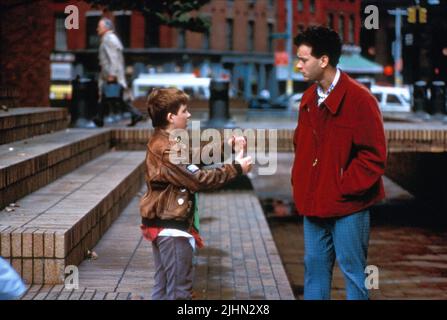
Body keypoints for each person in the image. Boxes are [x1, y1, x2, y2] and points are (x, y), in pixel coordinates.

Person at [291, 26, 387, 300]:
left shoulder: (360, 99)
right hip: (314, 203)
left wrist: (341, 186)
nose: (298, 65)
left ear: (323, 60)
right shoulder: (308, 98)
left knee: (354, 274)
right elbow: (302, 146)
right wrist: (302, 183)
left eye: (303, 59)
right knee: (314, 271)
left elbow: (374, 157)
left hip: (349, 205)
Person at [139, 88, 252, 300]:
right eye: (185, 110)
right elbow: (198, 179)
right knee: (179, 292)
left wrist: (224, 149)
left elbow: (190, 159)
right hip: (172, 228)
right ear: (171, 117)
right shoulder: (167, 149)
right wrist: (236, 168)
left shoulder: (164, 140)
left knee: (163, 288)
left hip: (164, 223)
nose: (189, 115)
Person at [96, 17, 143, 127]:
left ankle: (135, 114)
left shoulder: (109, 39)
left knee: (117, 97)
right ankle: (99, 118)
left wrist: (112, 74)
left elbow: (113, 58)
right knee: (107, 96)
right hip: (110, 75)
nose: (97, 29)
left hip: (111, 75)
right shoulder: (110, 38)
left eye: (99, 26)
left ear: (106, 28)